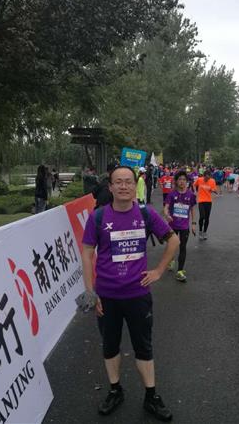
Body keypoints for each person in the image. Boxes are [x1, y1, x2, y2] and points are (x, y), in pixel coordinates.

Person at [80, 166, 179, 421]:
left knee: (143, 346)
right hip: (107, 297)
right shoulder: (98, 217)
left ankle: (151, 396)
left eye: (128, 182)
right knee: (110, 345)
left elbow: (173, 240)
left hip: (138, 295)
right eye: (118, 182)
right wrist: (90, 292)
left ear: (135, 186)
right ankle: (115, 390)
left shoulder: (146, 213)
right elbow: (87, 252)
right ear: (110, 187)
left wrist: (159, 270)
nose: (123, 186)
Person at [164, 171, 197, 282]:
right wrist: (167, 215)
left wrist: (193, 224)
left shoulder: (191, 195)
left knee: (183, 247)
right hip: (172, 225)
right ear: (176, 181)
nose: (182, 181)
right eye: (180, 179)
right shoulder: (171, 194)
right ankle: (171, 259)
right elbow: (166, 207)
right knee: (171, 245)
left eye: (184, 179)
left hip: (184, 227)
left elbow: (192, 209)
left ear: (187, 182)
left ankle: (180, 271)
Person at [194, 169, 218, 240]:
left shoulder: (212, 181)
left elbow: (215, 190)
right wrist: (195, 191)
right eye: (206, 178)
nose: (207, 179)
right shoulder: (199, 179)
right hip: (201, 200)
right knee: (202, 216)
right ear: (203, 176)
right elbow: (194, 185)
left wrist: (213, 190)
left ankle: (205, 232)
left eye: (208, 178)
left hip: (208, 201)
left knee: (207, 218)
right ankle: (200, 231)